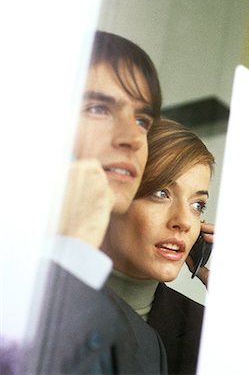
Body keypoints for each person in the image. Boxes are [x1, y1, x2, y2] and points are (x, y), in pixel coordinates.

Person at [20, 31, 168, 374]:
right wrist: (70, 252)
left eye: (142, 120)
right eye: (98, 108)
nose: (133, 138)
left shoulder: (146, 344)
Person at [101, 118, 215, 375]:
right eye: (162, 193)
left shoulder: (203, 333)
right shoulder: (37, 294)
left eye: (197, 205)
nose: (184, 221)